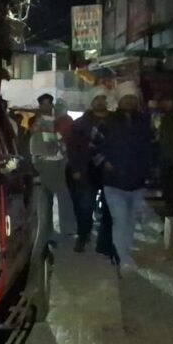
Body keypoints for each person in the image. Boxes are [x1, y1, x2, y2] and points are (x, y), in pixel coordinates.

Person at [101, 81, 154, 275]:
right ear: (120, 101)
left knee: (130, 222)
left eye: (132, 98)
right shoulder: (108, 122)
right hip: (114, 183)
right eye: (126, 98)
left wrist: (150, 169)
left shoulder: (144, 121)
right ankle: (122, 258)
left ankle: (125, 253)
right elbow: (95, 147)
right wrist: (105, 162)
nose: (129, 101)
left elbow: (151, 147)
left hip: (137, 183)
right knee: (120, 221)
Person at [67, 88, 114, 256]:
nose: (99, 102)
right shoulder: (81, 123)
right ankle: (83, 235)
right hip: (86, 170)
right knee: (85, 206)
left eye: (102, 98)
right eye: (96, 99)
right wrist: (76, 168)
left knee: (110, 208)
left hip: (109, 170)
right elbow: (72, 147)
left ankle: (105, 243)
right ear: (92, 102)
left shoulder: (115, 121)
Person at [29, 93, 77, 237]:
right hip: (43, 162)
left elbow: (61, 138)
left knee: (61, 197)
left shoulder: (60, 120)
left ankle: (64, 228)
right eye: (43, 104)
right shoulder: (37, 121)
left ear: (51, 105)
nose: (46, 106)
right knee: (49, 198)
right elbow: (40, 139)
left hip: (59, 162)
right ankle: (50, 230)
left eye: (48, 103)